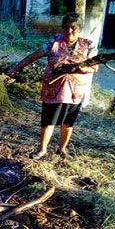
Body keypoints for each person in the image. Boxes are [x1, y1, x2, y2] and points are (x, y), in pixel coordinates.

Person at [7, 13, 97, 160]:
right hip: (54, 89)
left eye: (73, 28)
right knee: (48, 121)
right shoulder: (53, 42)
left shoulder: (88, 45)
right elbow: (33, 56)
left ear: (79, 29)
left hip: (75, 90)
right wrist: (16, 69)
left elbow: (94, 67)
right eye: (66, 28)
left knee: (68, 123)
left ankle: (62, 149)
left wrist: (79, 68)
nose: (69, 31)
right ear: (62, 28)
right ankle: (42, 150)